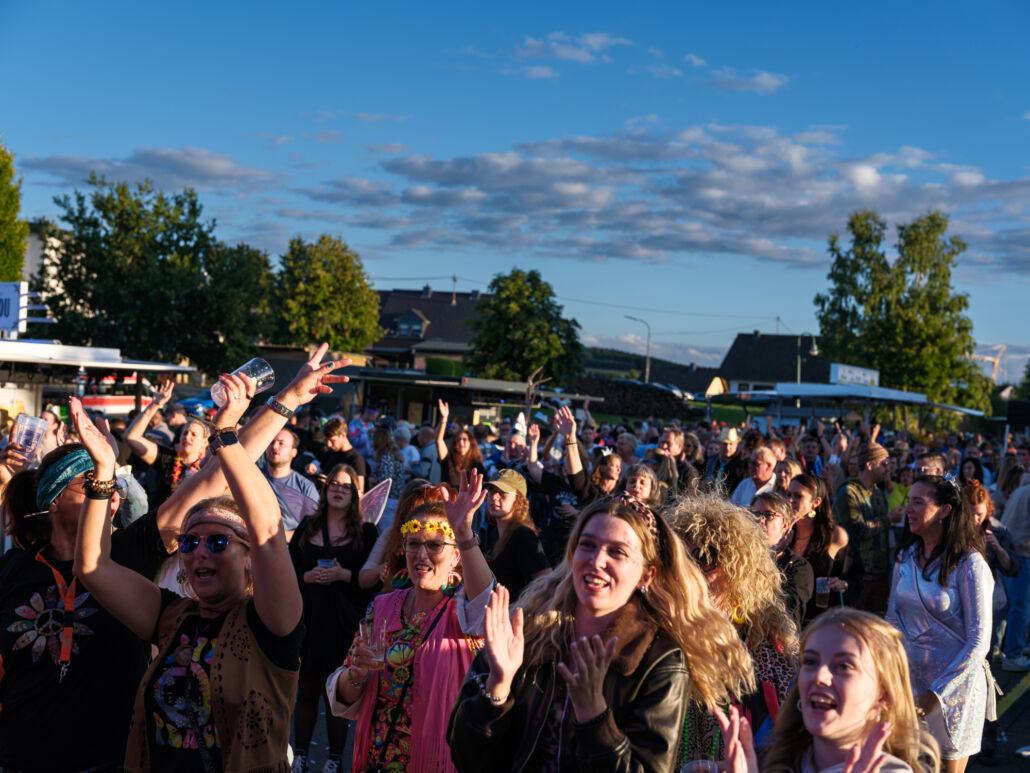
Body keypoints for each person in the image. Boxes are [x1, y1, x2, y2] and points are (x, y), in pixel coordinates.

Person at [69, 345, 349, 773]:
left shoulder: (273, 622)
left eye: (217, 543)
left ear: (249, 558)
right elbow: (92, 566)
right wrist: (104, 471)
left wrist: (230, 430)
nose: (199, 551)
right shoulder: (173, 618)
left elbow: (267, 529)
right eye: (189, 543)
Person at [448, 494, 755, 772]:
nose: (596, 561)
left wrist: (594, 715)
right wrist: (497, 688)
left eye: (617, 552)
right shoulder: (526, 633)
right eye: (588, 545)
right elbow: (468, 761)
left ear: (646, 575)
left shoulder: (658, 659)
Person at [326, 472, 494, 773]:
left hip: (438, 762)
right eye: (413, 543)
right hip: (376, 760)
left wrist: (464, 533)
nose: (421, 554)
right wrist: (355, 675)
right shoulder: (381, 608)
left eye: (435, 545)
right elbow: (344, 698)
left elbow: (486, 600)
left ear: (456, 556)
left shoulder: (465, 614)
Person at [718, 608, 940, 773]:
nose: (819, 676)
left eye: (844, 666)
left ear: (884, 695)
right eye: (811, 662)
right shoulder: (770, 762)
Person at [671, 492, 799, 761]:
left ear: (736, 569)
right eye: (683, 559)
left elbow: (785, 746)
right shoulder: (660, 639)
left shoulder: (766, 651)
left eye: (705, 557)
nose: (692, 571)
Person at [886, 475, 993, 773]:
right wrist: (886, 673)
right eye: (908, 501)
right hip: (909, 687)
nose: (908, 508)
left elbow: (978, 641)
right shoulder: (905, 557)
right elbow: (892, 621)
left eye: (919, 502)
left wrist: (935, 695)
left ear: (945, 510)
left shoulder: (970, 564)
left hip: (954, 691)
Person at [289, 464, 378, 773]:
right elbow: (286, 569)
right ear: (325, 491)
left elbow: (375, 580)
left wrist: (344, 574)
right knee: (308, 690)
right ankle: (299, 756)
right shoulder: (308, 526)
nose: (339, 489)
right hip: (309, 620)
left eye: (346, 486)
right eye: (334, 485)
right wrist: (307, 576)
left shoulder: (365, 532)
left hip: (345, 624)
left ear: (355, 494)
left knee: (337, 694)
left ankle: (334, 760)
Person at [124, 379, 210, 505]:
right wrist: (155, 405)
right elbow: (131, 437)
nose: (187, 437)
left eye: (193, 434)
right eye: (184, 433)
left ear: (204, 442)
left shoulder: (209, 466)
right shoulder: (167, 458)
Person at [834, 442, 891, 615]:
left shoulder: (879, 494)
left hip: (880, 576)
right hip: (857, 576)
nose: (887, 469)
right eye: (884, 463)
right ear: (869, 465)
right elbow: (856, 531)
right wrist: (888, 519)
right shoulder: (848, 492)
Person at [787, 473, 852, 620]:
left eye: (798, 496)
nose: (790, 500)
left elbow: (853, 576)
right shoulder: (782, 534)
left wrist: (842, 584)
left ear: (816, 502)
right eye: (788, 494)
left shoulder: (835, 536)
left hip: (820, 620)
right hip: (786, 620)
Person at [483, 469, 550, 600]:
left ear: (519, 499)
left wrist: (522, 611)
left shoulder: (523, 536)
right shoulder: (494, 534)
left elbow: (546, 585)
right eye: (491, 491)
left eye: (502, 492)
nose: (494, 497)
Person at [752, 491, 815, 630]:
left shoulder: (798, 567)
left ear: (785, 525)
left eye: (769, 515)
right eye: (755, 514)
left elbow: (786, 613)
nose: (760, 520)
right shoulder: (738, 559)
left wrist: (770, 557)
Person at [264, 427, 320, 531]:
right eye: (271, 442)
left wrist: (281, 537)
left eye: (281, 443)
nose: (275, 446)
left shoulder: (305, 487)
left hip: (287, 545)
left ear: (293, 452)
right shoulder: (254, 477)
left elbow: (314, 528)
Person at [436, 400, 487, 488]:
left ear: (471, 443)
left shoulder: (477, 464)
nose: (461, 442)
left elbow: (484, 485)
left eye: (464, 439)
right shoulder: (448, 459)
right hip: (449, 500)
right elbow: (439, 440)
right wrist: (444, 419)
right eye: (458, 439)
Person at [370, 425, 406, 530]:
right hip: (394, 499)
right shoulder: (393, 455)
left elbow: (386, 481)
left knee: (384, 533)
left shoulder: (386, 457)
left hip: (388, 501)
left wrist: (372, 480)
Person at [320, 418, 367, 492]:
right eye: (326, 440)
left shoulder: (356, 460)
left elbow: (359, 492)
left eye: (332, 440)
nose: (328, 444)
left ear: (343, 435)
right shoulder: (328, 454)